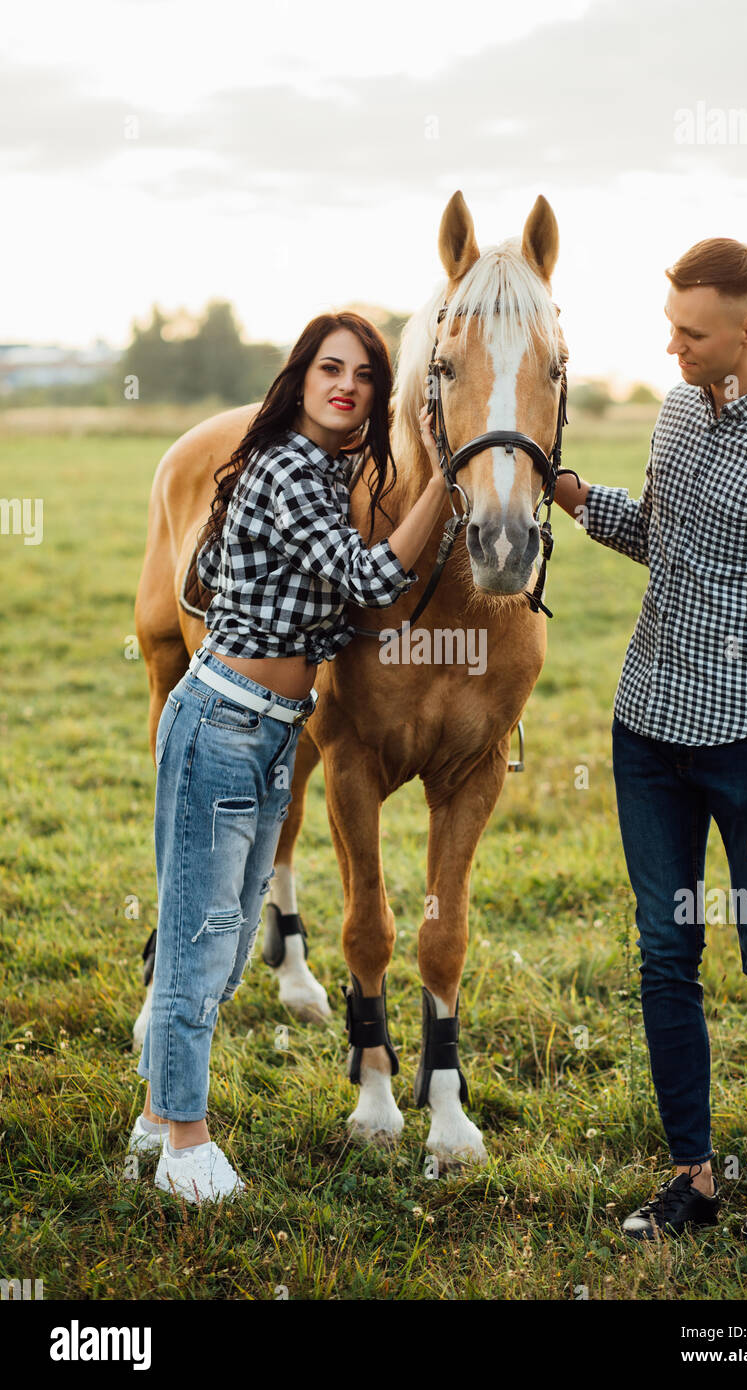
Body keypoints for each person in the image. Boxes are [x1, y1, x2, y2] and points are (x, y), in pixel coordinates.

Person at [554, 239, 747, 1243]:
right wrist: (575, 498)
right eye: (669, 325)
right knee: (663, 954)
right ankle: (691, 1176)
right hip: (646, 732)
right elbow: (660, 534)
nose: (670, 345)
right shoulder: (679, 408)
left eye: (689, 332)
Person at [131, 311, 446, 1204]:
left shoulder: (333, 471)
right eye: (329, 368)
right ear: (301, 378)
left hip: (273, 733)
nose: (347, 385)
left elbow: (335, 617)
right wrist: (446, 479)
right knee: (201, 946)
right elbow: (372, 581)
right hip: (224, 721)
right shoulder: (288, 467)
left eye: (366, 376)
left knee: (228, 951)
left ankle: (155, 1119)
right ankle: (186, 1145)